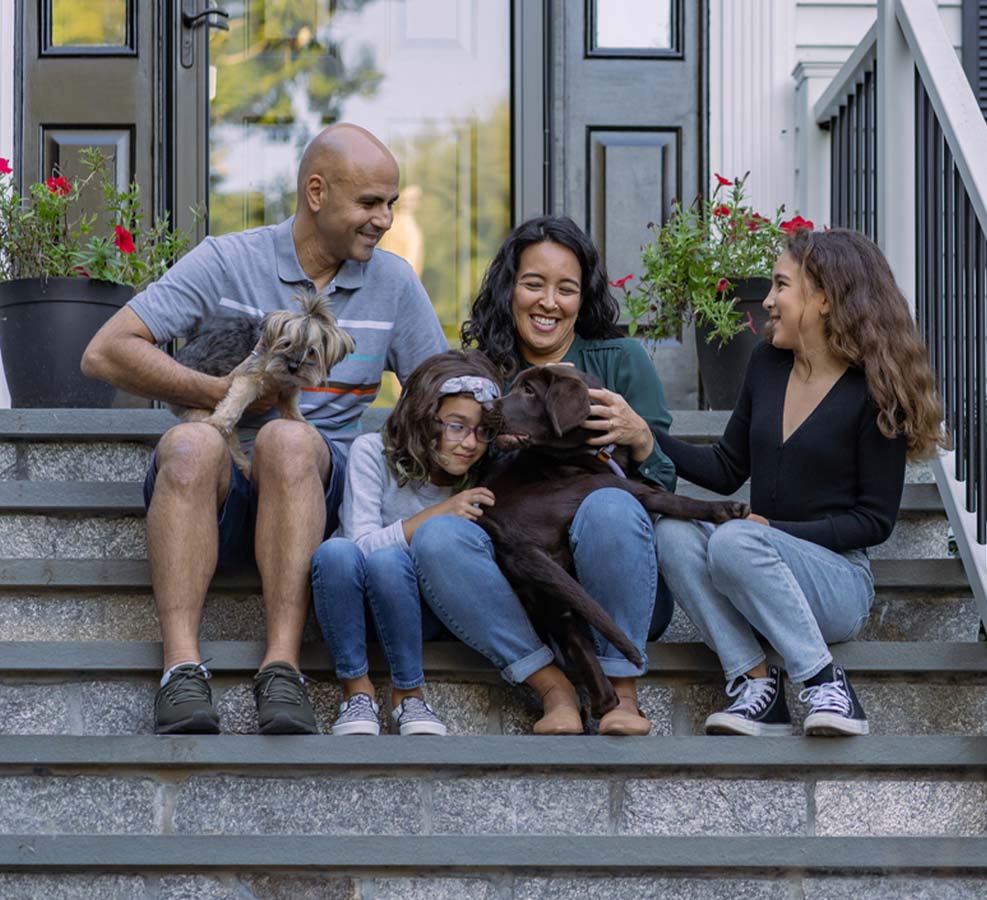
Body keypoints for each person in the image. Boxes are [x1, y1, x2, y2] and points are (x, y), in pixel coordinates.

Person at [80, 123, 448, 735]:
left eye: (391, 204)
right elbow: (106, 352)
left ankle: (282, 669)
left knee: (287, 439)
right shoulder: (229, 260)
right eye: (369, 203)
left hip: (308, 486)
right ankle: (181, 669)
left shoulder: (394, 283)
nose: (384, 219)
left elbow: (438, 395)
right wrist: (223, 393)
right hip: (214, 493)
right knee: (191, 441)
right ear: (315, 192)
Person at [651, 227, 945, 737]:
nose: (767, 300)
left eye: (781, 286)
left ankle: (825, 681)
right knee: (672, 533)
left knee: (737, 539)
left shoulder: (875, 390)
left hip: (837, 582)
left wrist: (773, 532)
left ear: (826, 299)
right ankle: (756, 685)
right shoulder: (767, 364)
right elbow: (726, 468)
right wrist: (646, 440)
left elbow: (873, 522)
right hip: (754, 558)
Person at [409, 215, 674, 735]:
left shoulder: (620, 361)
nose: (549, 302)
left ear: (583, 297)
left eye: (566, 289)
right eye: (534, 284)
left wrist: (641, 438)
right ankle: (554, 690)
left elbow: (662, 491)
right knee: (438, 535)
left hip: (614, 581)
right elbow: (442, 476)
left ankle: (621, 694)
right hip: (517, 588)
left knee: (612, 503)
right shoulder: (478, 371)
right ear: (510, 288)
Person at [312, 351, 503, 736]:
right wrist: (438, 513)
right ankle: (356, 691)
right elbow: (360, 543)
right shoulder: (373, 451)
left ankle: (409, 695)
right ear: (423, 417)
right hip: (350, 604)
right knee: (335, 551)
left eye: (483, 431)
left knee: (389, 563)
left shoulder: (484, 476)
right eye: (456, 426)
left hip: (424, 612)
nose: (470, 443)